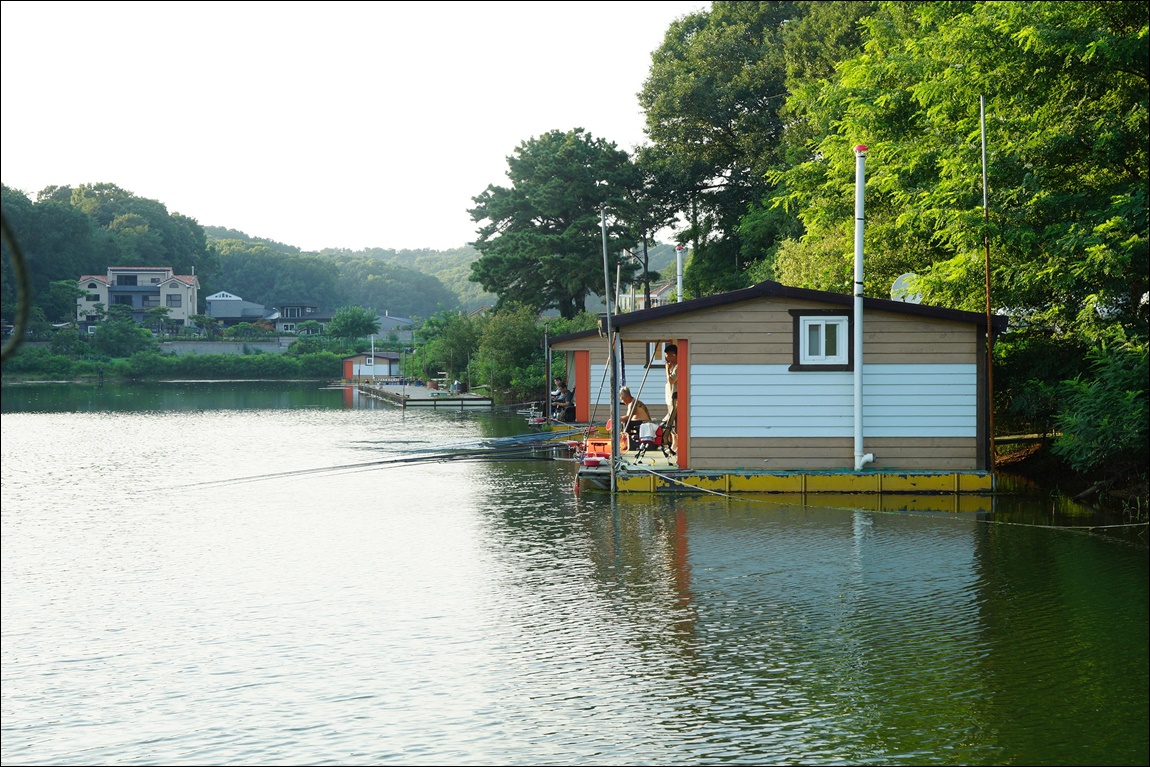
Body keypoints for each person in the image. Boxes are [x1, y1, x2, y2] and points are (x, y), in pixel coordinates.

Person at [661, 343, 678, 454]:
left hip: (676, 399)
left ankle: (676, 447)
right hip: (670, 399)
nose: (666, 357)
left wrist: (667, 369)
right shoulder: (673, 366)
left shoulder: (678, 367)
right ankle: (674, 445)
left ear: (674, 355)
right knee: (670, 425)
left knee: (673, 423)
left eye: (667, 355)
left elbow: (671, 380)